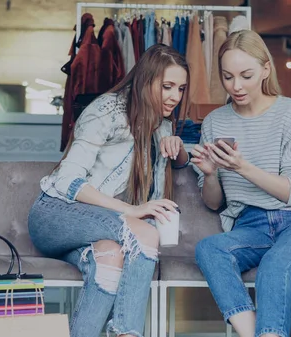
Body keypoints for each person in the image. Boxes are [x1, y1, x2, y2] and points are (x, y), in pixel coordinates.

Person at [28, 44, 190, 337]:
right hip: (56, 214)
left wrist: (178, 149)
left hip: (100, 230)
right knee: (144, 234)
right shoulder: (107, 111)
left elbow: (177, 160)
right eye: (167, 86)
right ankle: (127, 332)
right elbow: (67, 181)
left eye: (180, 88)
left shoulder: (162, 124)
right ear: (145, 79)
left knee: (110, 257)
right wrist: (132, 211)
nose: (175, 97)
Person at [191, 30, 291, 337]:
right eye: (228, 77)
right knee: (209, 249)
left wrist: (243, 167)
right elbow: (214, 203)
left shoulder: (290, 113)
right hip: (253, 225)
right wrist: (210, 173)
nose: (236, 86)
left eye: (246, 75)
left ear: (265, 69)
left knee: (275, 265)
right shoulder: (215, 122)